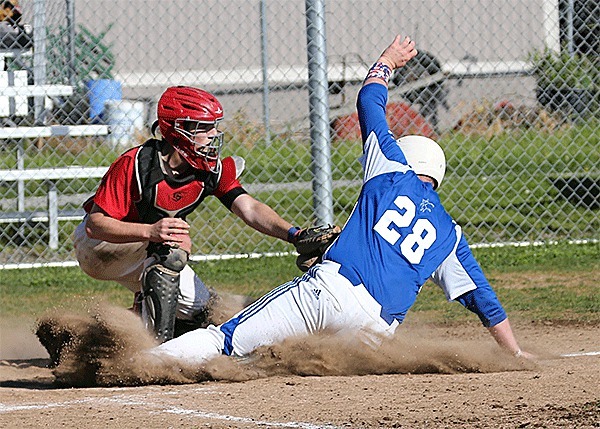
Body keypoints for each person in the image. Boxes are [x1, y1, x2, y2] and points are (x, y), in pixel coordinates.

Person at [150, 35, 535, 365]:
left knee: (226, 340)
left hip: (332, 291)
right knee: (286, 357)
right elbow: (484, 300)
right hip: (372, 338)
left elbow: (369, 101)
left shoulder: (392, 171)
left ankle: (145, 365)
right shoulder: (450, 235)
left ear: (407, 156)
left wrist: (386, 62)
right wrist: (514, 352)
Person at [73, 86, 311, 343]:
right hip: (101, 245)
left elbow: (250, 209)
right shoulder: (138, 164)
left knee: (202, 310)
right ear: (179, 130)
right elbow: (95, 225)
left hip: (148, 246)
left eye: (215, 127)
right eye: (205, 128)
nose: (215, 134)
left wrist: (294, 235)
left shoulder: (208, 169)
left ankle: (105, 335)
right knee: (172, 246)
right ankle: (156, 353)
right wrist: (150, 232)